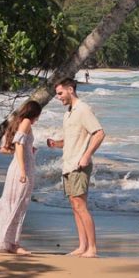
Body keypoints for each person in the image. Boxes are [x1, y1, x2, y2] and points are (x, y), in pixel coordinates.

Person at [47, 77, 105, 257]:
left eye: (60, 93)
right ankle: (82, 246)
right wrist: (56, 143)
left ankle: (92, 248)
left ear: (70, 90)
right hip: (68, 164)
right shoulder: (68, 113)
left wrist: (86, 156)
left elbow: (99, 133)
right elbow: (71, 140)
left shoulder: (83, 109)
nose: (58, 97)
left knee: (80, 205)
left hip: (79, 165)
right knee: (75, 205)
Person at [0, 101, 42, 255]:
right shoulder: (26, 122)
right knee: (18, 204)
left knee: (11, 203)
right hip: (22, 168)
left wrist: (29, 149)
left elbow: (5, 149)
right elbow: (18, 144)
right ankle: (13, 243)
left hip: (18, 167)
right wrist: (23, 170)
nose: (38, 118)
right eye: (38, 115)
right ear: (34, 113)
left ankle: (6, 240)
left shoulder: (18, 122)